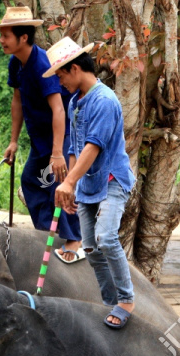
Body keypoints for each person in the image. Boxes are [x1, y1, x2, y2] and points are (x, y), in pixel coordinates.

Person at [46, 37, 137, 329]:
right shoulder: (75, 102)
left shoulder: (105, 100)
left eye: (60, 74)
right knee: (91, 247)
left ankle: (126, 300)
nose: (59, 81)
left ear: (74, 69)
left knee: (107, 238)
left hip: (111, 179)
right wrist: (72, 184)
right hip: (87, 184)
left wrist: (69, 182)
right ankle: (110, 300)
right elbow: (74, 148)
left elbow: (93, 147)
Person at [0, 6, 84, 263]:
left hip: (62, 134)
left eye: (6, 35)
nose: (1, 40)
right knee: (32, 181)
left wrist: (58, 153)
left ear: (23, 38)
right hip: (39, 137)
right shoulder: (16, 64)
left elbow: (58, 109)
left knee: (60, 183)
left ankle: (73, 238)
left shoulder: (42, 63)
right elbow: (17, 100)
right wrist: (13, 141)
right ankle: (48, 234)